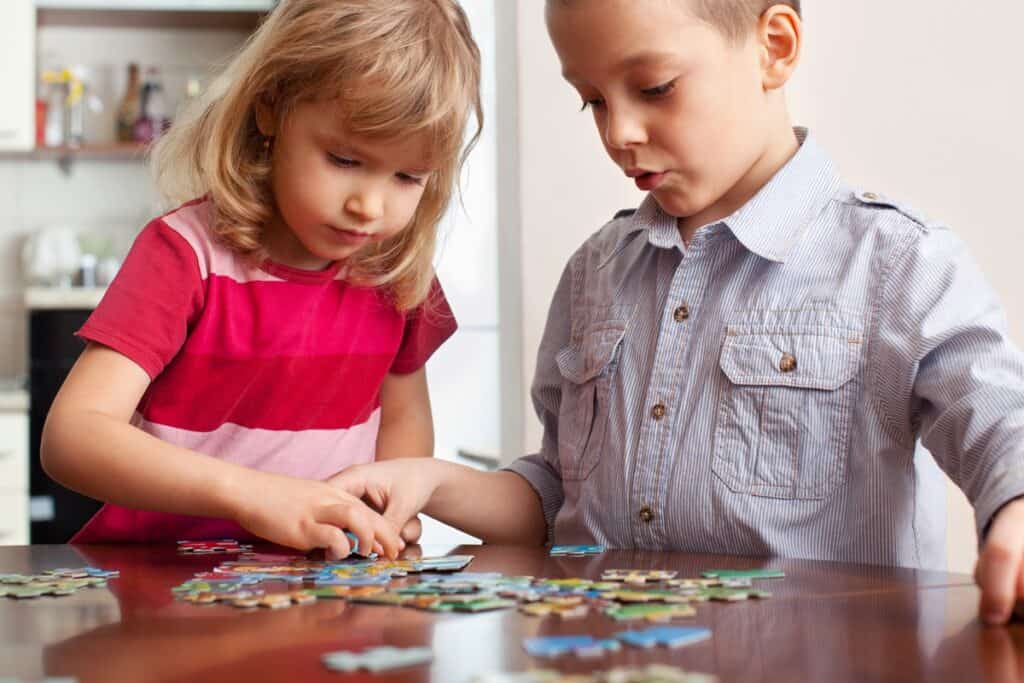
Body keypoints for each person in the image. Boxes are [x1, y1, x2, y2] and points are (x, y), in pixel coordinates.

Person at [332, 0, 1024, 623]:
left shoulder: (896, 262)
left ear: (774, 47)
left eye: (654, 87)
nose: (619, 131)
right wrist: (431, 479)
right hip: (607, 660)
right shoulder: (594, 273)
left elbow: (1001, 423)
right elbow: (557, 490)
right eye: (593, 101)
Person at [40, 0, 482, 561]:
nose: (368, 206)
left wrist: (386, 508)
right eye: (344, 159)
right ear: (269, 109)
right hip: (158, 581)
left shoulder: (396, 270)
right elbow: (74, 436)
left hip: (317, 587)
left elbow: (403, 417)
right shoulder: (185, 254)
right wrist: (252, 496)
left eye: (407, 176)